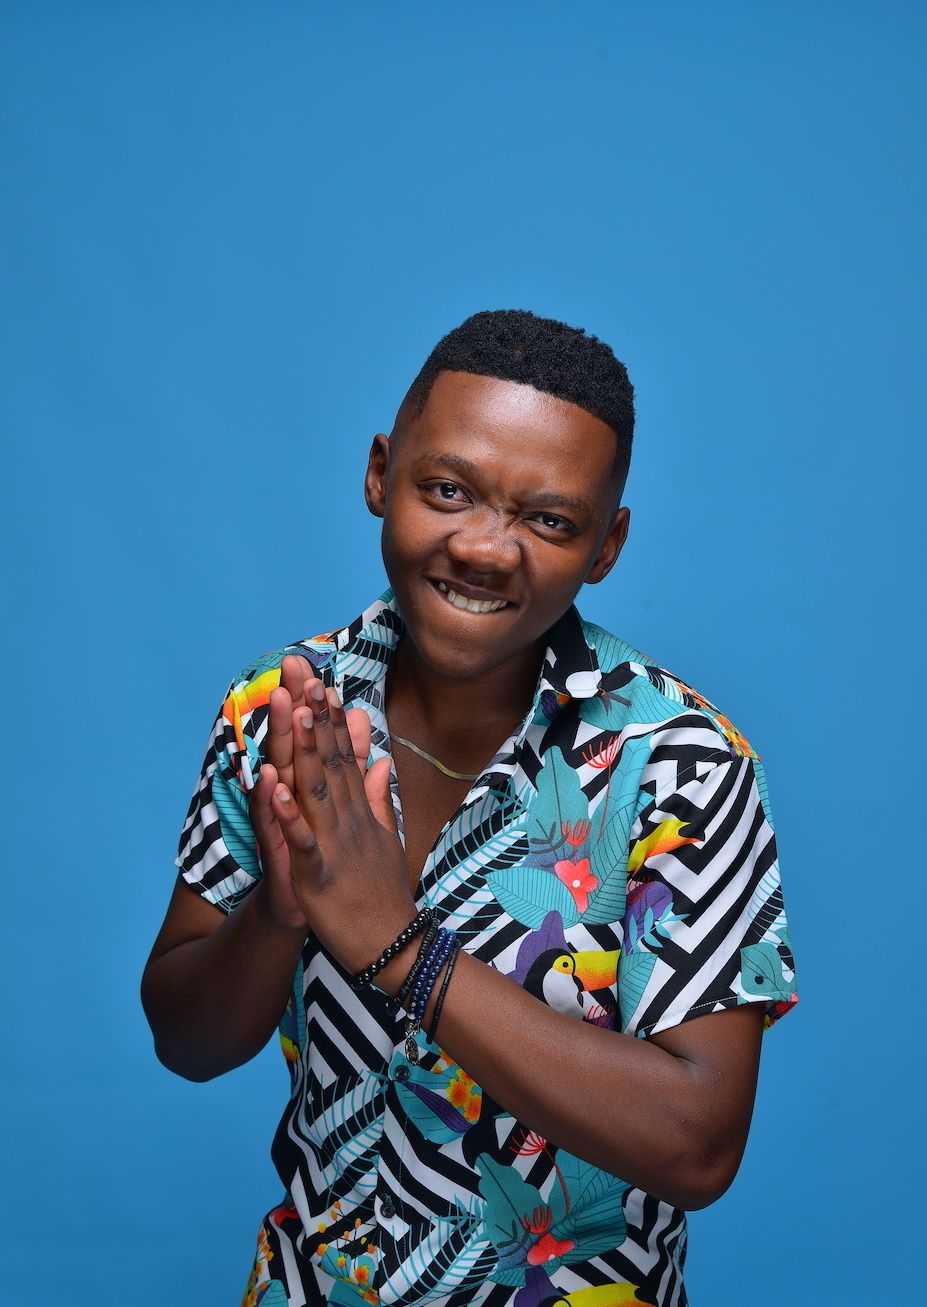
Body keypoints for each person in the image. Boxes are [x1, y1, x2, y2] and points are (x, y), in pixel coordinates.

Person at [142, 310, 797, 1307]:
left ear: (607, 544)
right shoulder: (280, 710)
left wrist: (405, 948)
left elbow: (699, 1142)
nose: (488, 548)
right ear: (379, 472)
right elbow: (185, 1040)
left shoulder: (683, 767)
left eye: (550, 519)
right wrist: (278, 911)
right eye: (446, 489)